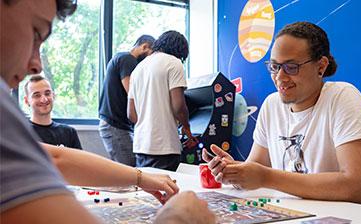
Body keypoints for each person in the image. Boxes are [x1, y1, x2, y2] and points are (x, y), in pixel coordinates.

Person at [0, 1, 214, 223]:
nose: (37, 65)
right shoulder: (163, 63)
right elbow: (179, 107)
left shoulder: (139, 67)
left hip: (142, 142)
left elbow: (55, 158)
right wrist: (177, 219)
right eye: (36, 33)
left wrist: (140, 177)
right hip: (161, 143)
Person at [203, 21, 361, 204]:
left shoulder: (342, 98)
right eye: (275, 66)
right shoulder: (271, 105)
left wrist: (266, 178)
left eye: (291, 67)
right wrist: (235, 172)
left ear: (321, 66)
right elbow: (256, 169)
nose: (279, 77)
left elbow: (358, 188)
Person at [127, 30, 198, 171]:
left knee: (145, 192)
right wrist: (187, 129)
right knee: (168, 191)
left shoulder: (138, 69)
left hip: (141, 146)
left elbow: (131, 114)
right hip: (164, 147)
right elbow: (179, 106)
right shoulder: (173, 63)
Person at [99, 34, 155, 166]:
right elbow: (132, 93)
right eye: (150, 54)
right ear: (144, 46)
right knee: (131, 172)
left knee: (127, 170)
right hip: (115, 125)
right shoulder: (128, 59)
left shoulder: (119, 58)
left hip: (113, 124)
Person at [24, 74, 82, 149]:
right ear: (26, 101)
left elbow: (78, 160)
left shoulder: (69, 133)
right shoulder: (21, 133)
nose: (44, 99)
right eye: (37, 95)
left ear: (53, 96)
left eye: (47, 93)